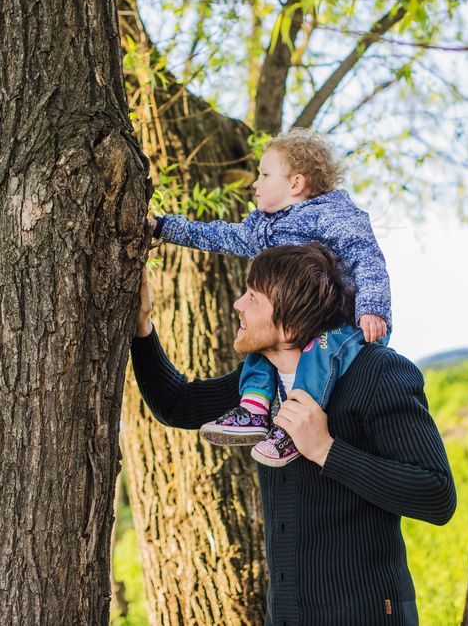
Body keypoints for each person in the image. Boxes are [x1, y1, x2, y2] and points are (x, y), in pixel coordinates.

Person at [130, 243, 456, 625]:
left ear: (289, 324)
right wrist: (142, 327)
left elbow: (436, 495)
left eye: (253, 297)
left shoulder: (379, 372)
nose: (238, 304)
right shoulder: (258, 387)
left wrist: (326, 449)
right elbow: (176, 405)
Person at [149, 129, 392, 466]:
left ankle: (295, 425)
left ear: (295, 184)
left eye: (265, 174)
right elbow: (218, 235)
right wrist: (164, 228)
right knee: (261, 346)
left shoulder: (332, 216)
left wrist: (372, 309)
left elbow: (367, 257)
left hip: (340, 325)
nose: (255, 183)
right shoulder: (264, 229)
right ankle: (254, 408)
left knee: (318, 357)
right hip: (291, 326)